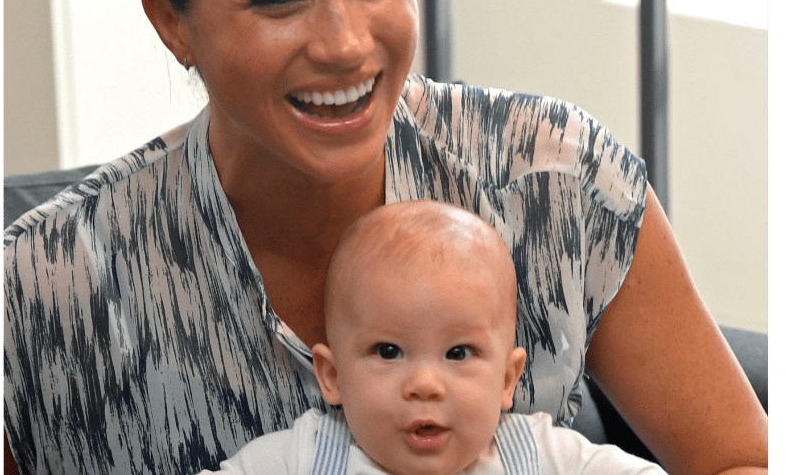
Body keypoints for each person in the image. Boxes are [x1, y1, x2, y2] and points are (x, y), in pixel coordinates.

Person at [2, 0, 767, 474]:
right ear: (173, 24)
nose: (343, 43)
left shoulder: (554, 177)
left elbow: (740, 458)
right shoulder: (41, 292)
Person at [196, 200, 666, 475]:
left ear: (507, 379)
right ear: (332, 375)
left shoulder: (536, 456)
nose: (425, 383)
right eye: (388, 351)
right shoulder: (305, 457)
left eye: (458, 353)